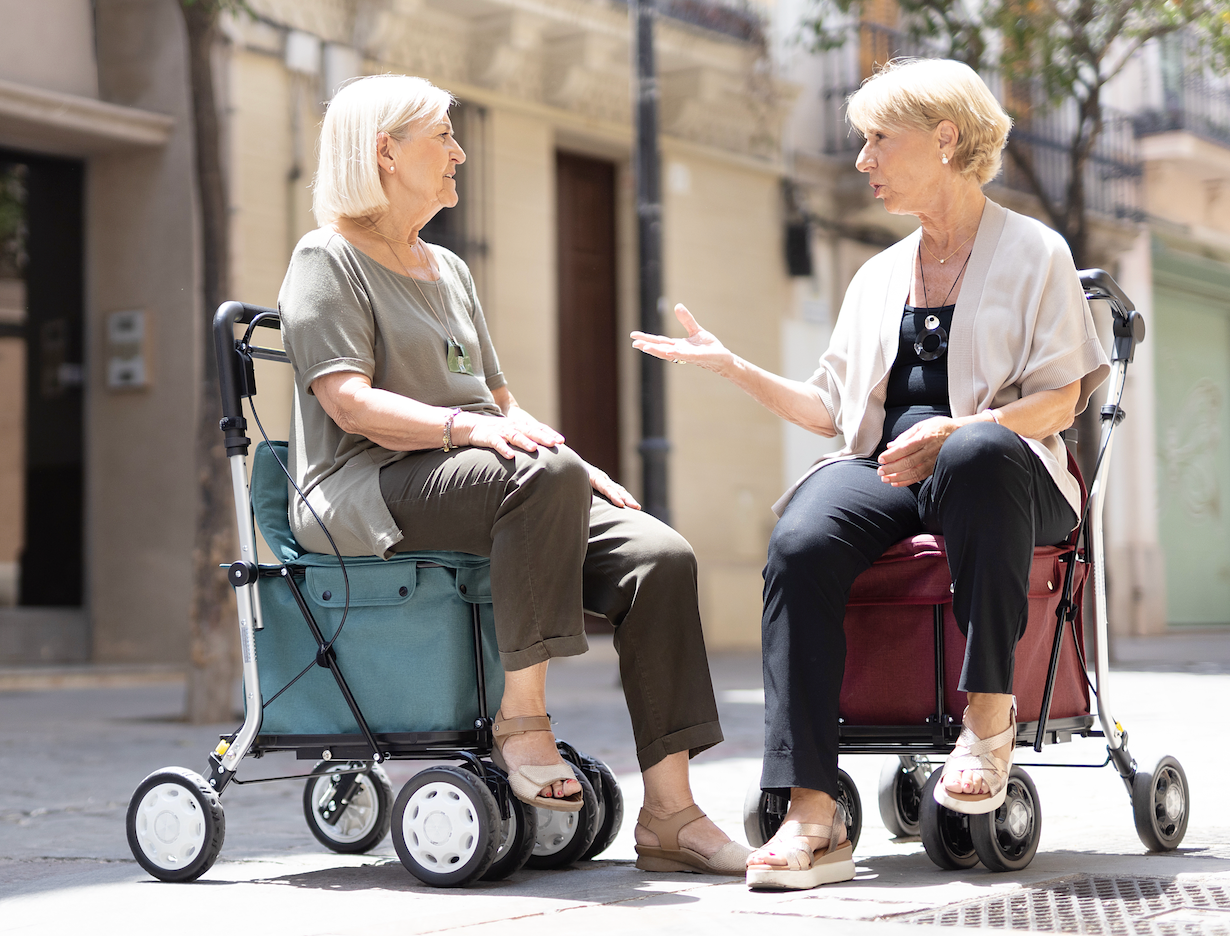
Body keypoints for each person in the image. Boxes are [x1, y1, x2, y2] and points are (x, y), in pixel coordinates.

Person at [631, 58, 1109, 890]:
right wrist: (736, 368)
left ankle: (987, 721)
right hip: (890, 467)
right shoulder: (880, 274)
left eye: (878, 140)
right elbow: (832, 408)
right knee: (804, 536)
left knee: (971, 451)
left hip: (1008, 474)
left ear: (945, 137)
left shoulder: (1035, 251)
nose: (863, 160)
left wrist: (962, 428)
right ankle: (811, 809)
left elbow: (1061, 397)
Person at [276, 74, 750, 875]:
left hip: (485, 478)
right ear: (385, 151)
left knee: (659, 557)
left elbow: (503, 403)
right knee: (536, 478)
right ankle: (522, 722)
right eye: (443, 137)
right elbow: (349, 404)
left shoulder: (449, 270)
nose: (459, 153)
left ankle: (671, 814)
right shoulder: (327, 258)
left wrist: (574, 466)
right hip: (367, 487)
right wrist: (479, 434)